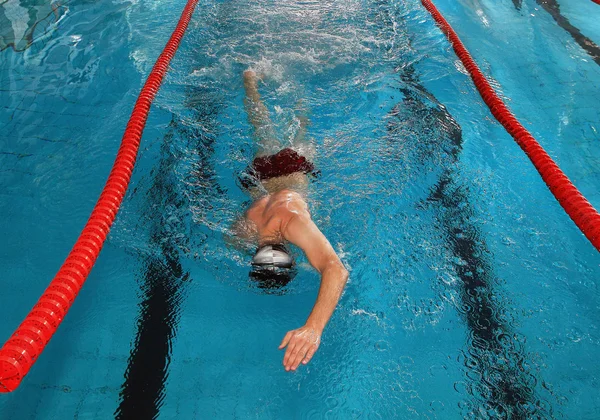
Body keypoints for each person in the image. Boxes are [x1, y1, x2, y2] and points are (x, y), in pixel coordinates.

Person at [231, 69, 349, 372]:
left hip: (293, 168)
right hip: (256, 176)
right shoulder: (246, 229)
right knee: (259, 127)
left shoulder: (292, 221)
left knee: (302, 130)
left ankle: (296, 91)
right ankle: (251, 84)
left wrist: (313, 328)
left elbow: (336, 269)